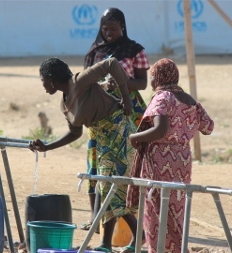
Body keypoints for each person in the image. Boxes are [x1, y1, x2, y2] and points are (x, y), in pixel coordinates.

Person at [29, 57, 140, 253]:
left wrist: (126, 99)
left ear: (51, 78)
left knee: (109, 186)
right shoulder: (65, 105)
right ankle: (133, 237)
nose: (43, 85)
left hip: (119, 130)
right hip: (102, 138)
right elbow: (75, 133)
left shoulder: (80, 80)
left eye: (42, 80)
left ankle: (111, 242)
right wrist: (46, 147)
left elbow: (111, 64)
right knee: (107, 186)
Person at [126, 59, 215, 253]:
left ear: (158, 78)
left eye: (152, 78)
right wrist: (185, 129)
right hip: (182, 161)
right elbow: (208, 127)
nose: (150, 83)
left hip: (159, 159)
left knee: (155, 211)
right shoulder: (190, 100)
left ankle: (158, 250)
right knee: (175, 209)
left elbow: (160, 130)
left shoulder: (162, 97)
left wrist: (136, 137)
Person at [82, 7, 150, 233]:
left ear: (122, 26)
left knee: (121, 164)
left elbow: (142, 83)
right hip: (99, 112)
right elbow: (85, 81)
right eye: (105, 28)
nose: (109, 32)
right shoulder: (95, 52)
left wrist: (120, 81)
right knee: (95, 162)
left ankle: (130, 220)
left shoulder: (134, 50)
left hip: (126, 110)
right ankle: (95, 218)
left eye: (113, 28)